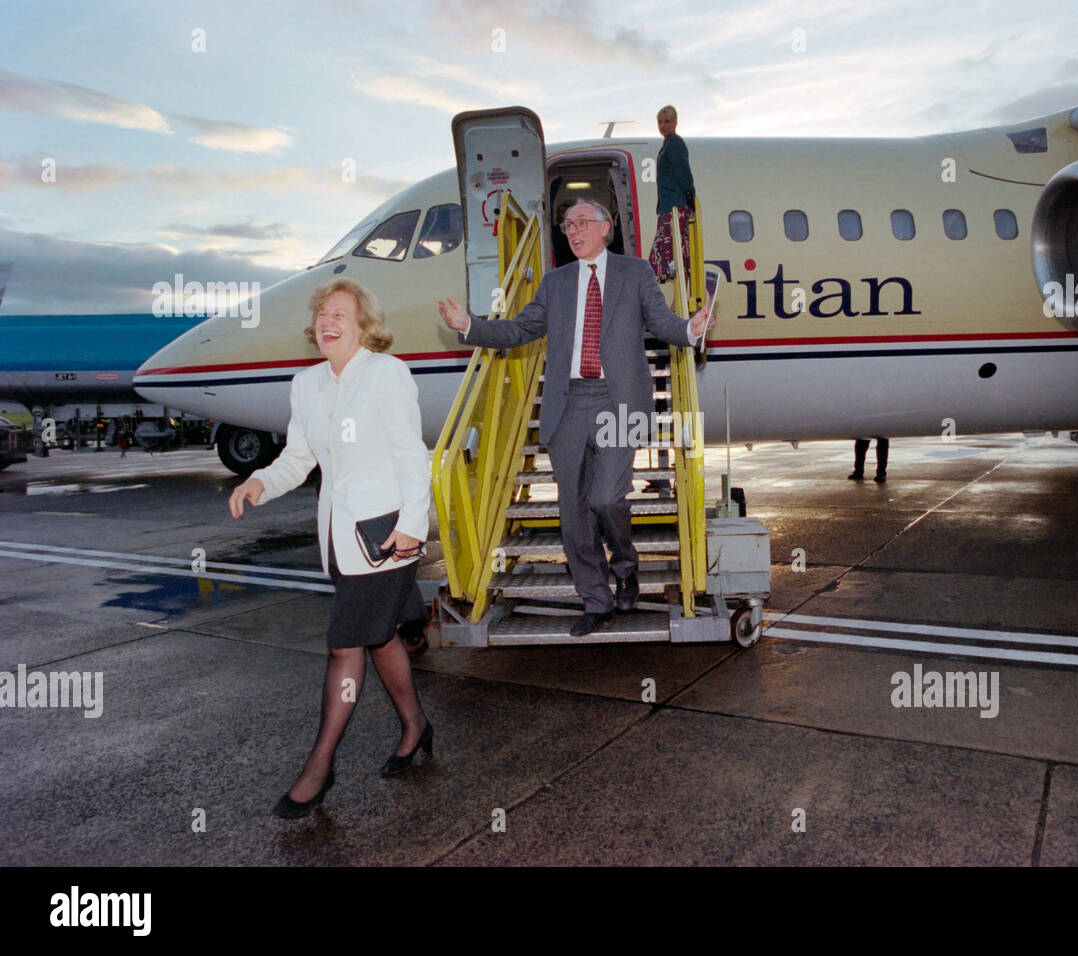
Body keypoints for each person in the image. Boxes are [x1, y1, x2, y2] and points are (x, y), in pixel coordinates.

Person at [438, 200, 714, 636]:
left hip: (617, 400)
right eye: (567, 224)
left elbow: (662, 322)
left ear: (605, 228)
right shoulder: (555, 283)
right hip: (567, 404)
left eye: (582, 222)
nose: (573, 230)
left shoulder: (634, 272)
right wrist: (469, 325)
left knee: (606, 498)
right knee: (574, 512)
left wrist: (690, 330)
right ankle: (595, 600)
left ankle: (625, 566)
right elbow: (519, 330)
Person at [228, 278, 432, 820]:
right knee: (381, 634)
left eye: (340, 313)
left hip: (386, 540)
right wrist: (259, 482)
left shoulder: (386, 374)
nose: (328, 321)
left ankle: (319, 767)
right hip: (340, 543)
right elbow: (299, 458)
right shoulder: (307, 384)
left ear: (364, 324)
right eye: (322, 313)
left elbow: (413, 455)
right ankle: (416, 725)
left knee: (346, 646)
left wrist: (415, 522)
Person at [648, 105, 695, 285]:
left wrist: (689, 195)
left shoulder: (675, 143)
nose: (663, 125)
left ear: (675, 123)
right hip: (668, 204)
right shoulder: (667, 144)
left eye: (667, 121)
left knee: (668, 246)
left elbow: (683, 171)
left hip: (675, 204)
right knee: (668, 246)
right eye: (660, 122)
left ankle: (677, 280)